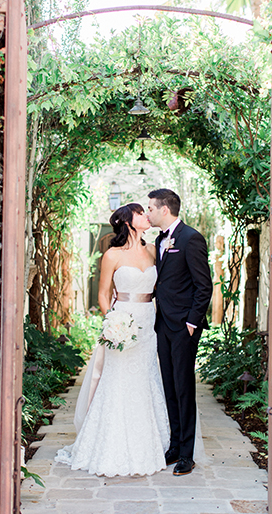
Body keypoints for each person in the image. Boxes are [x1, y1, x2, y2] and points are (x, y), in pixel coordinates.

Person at [55, 203, 170, 477]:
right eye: (141, 212)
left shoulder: (154, 251)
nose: (146, 216)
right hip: (122, 322)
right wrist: (113, 322)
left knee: (146, 378)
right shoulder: (112, 255)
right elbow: (104, 294)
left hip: (147, 323)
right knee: (117, 381)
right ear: (128, 221)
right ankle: (110, 444)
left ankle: (152, 443)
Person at [147, 188, 213, 476]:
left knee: (184, 388)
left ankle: (187, 454)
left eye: (150, 207)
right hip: (162, 323)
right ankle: (174, 445)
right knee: (169, 387)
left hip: (184, 326)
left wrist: (191, 322)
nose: (147, 212)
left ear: (164, 210)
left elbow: (204, 285)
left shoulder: (191, 238)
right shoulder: (160, 240)